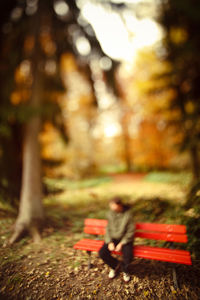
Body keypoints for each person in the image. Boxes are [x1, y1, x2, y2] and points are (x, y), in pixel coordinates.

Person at [99, 196, 134, 282]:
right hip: (113, 239)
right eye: (111, 206)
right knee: (102, 253)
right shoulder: (110, 213)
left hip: (125, 239)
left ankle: (125, 270)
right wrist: (110, 242)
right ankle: (115, 266)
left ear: (119, 205)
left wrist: (121, 244)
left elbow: (130, 232)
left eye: (113, 206)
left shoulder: (128, 215)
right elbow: (108, 229)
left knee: (128, 255)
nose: (111, 208)